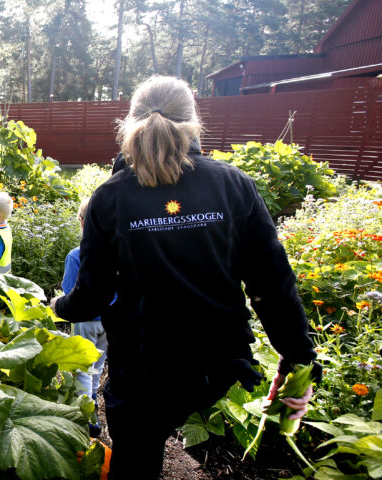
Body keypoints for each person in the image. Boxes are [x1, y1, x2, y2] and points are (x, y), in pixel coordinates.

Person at [49, 76, 319, 479]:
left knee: (137, 456)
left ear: (129, 122)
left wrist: (57, 306)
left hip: (143, 369)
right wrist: (300, 360)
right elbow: (271, 285)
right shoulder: (233, 185)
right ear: (194, 122)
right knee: (172, 410)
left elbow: (91, 297)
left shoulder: (110, 197)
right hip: (216, 364)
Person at [62, 196, 109, 438]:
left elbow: (70, 291)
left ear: (81, 221)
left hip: (85, 319)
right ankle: (93, 404)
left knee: (82, 367)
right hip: (110, 320)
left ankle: (86, 417)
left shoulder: (76, 255)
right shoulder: (118, 251)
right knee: (98, 365)